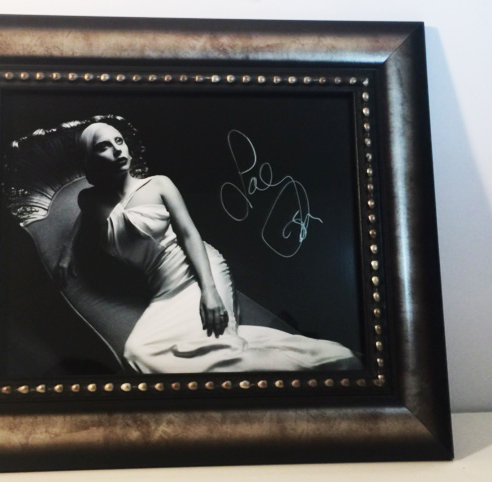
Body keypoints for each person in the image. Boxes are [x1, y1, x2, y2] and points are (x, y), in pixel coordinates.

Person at [57, 117, 361, 373]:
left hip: (199, 272)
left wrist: (210, 293)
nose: (117, 150)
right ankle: (308, 356)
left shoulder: (158, 185)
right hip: (163, 289)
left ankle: (331, 363)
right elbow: (89, 218)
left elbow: (190, 234)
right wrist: (67, 250)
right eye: (103, 146)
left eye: (119, 141)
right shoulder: (90, 201)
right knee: (137, 354)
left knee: (219, 347)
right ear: (89, 159)